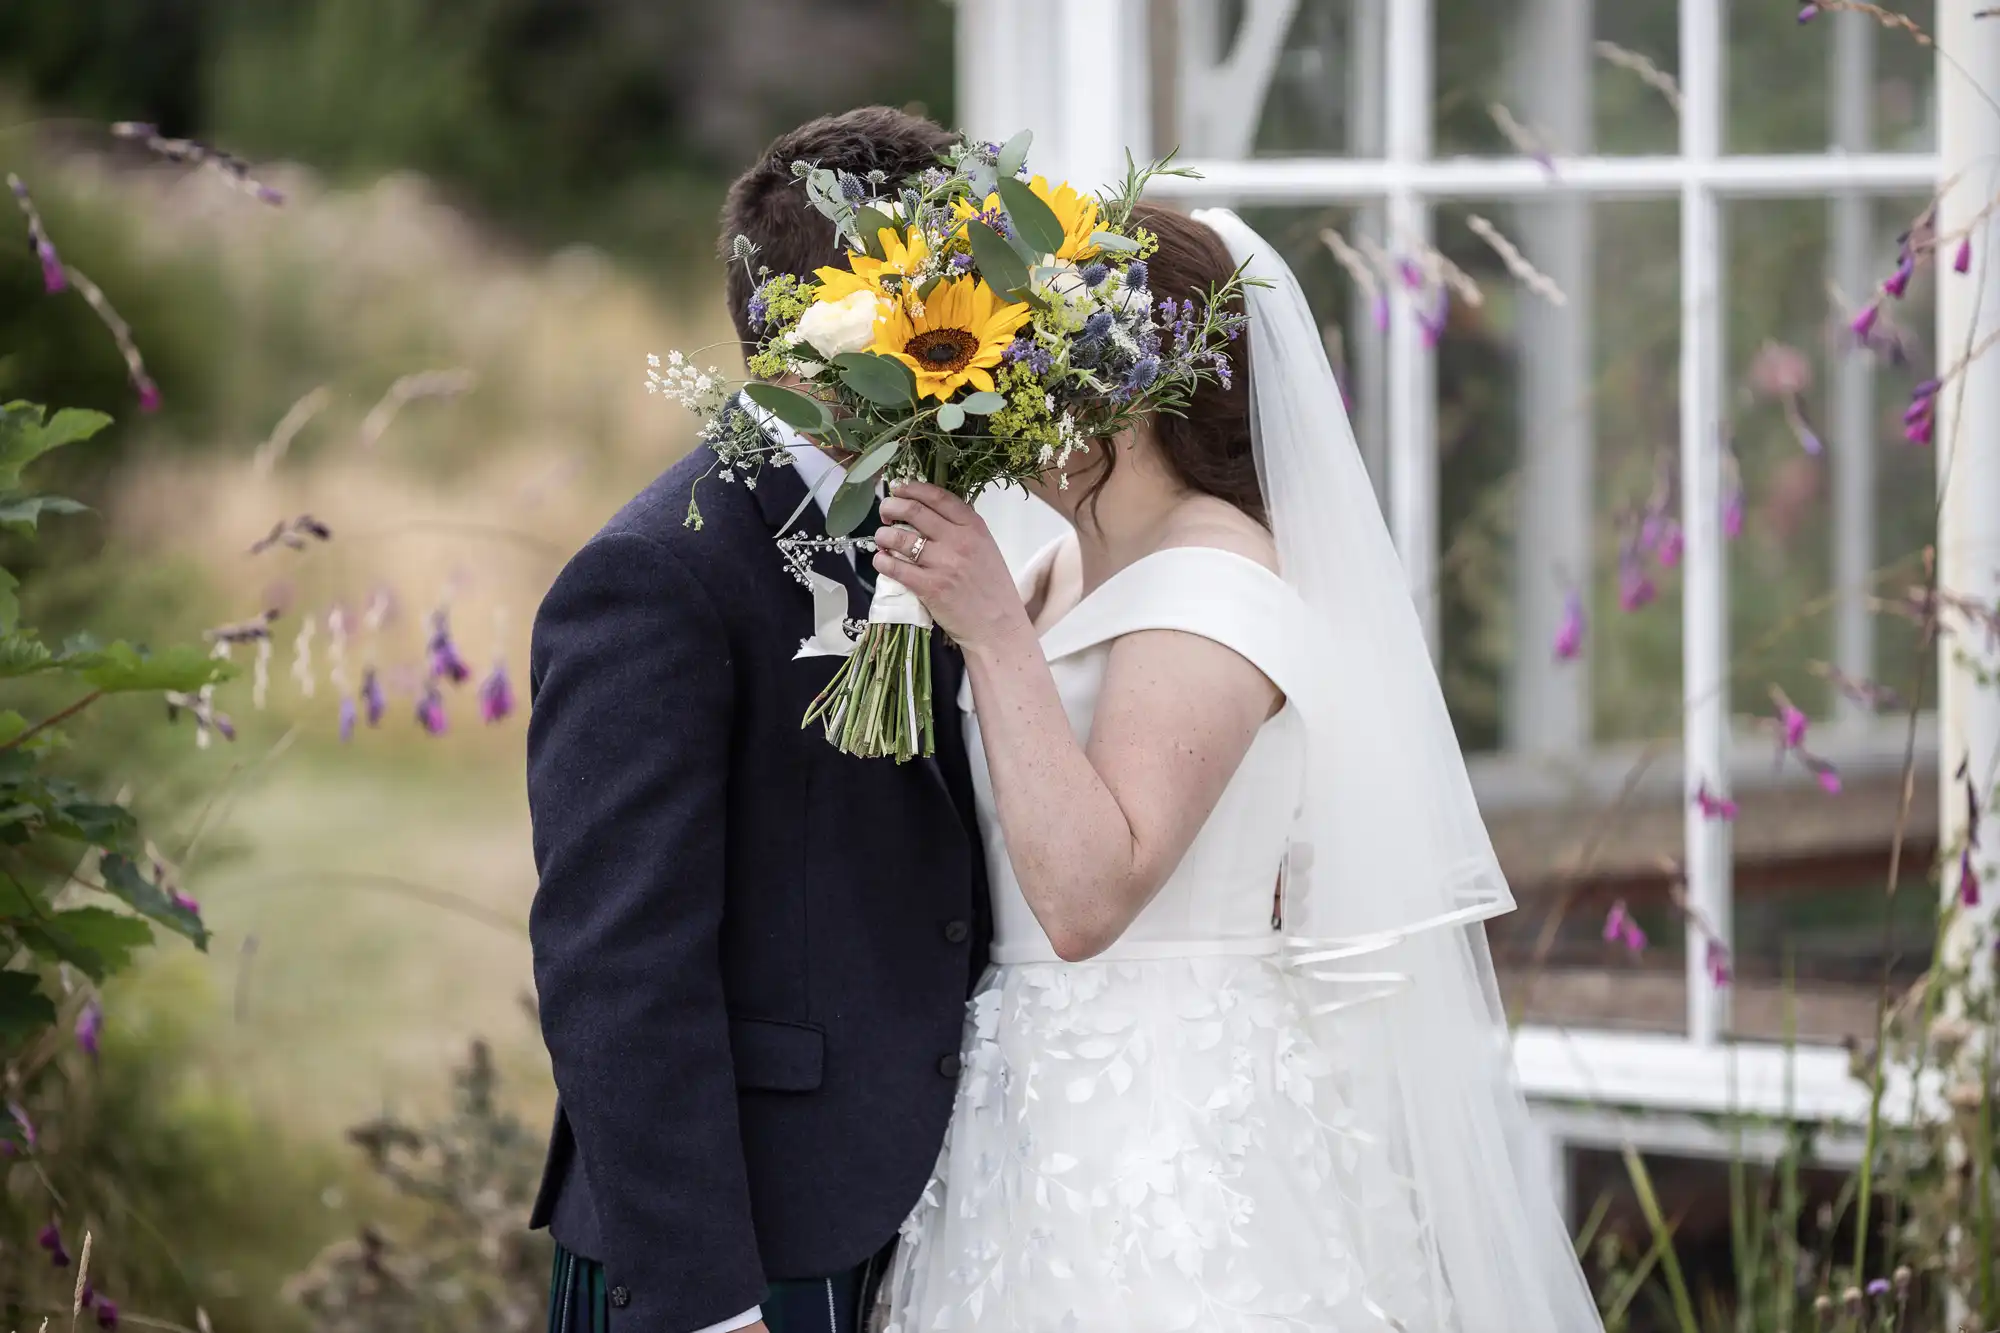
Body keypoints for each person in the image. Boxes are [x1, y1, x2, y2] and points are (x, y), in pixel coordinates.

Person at [865, 204, 1606, 1331]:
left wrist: (989, 631)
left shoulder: (1213, 584)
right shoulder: (1064, 561)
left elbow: (1084, 896)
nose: (1001, 394)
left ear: (1124, 381)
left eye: (1029, 356)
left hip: (1163, 1113)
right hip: (1027, 1099)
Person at [525, 107, 990, 1333]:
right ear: (859, 308)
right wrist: (706, 1305)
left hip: (933, 1212)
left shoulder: (925, 522)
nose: (990, 338)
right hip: (742, 1240)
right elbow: (615, 962)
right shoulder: (652, 574)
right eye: (960, 293)